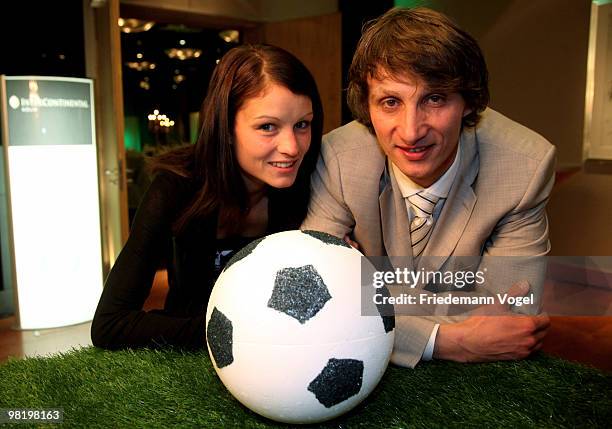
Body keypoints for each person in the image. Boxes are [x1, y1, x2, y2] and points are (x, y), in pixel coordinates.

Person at [301, 7, 553, 368]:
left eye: (434, 99)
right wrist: (446, 341)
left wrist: (363, 289)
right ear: (367, 108)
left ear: (468, 102)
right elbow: (314, 298)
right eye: (390, 102)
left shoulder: (525, 167)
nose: (411, 131)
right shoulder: (339, 158)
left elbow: (509, 316)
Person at [92, 44, 323, 350]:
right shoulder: (175, 188)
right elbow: (110, 324)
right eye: (267, 127)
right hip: (194, 363)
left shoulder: (314, 179)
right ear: (225, 127)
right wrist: (241, 334)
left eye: (302, 125)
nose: (292, 147)